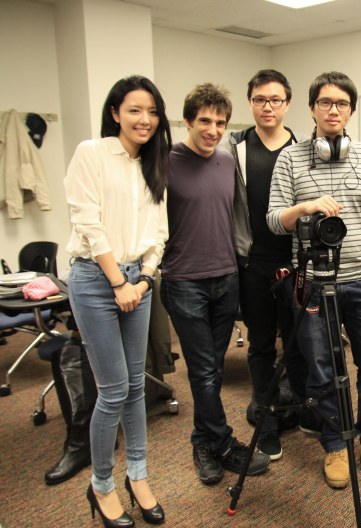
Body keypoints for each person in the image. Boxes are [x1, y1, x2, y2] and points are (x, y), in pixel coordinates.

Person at [266, 71, 361, 489]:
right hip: (312, 284)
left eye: (341, 103)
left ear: (351, 110)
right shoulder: (289, 159)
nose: (333, 109)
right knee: (322, 371)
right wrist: (305, 205)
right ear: (312, 109)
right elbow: (273, 220)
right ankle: (335, 444)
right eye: (325, 102)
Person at [64, 75, 170, 527]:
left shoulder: (153, 163)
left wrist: (143, 279)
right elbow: (88, 222)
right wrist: (118, 283)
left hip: (138, 280)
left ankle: (139, 477)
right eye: (134, 110)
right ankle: (101, 485)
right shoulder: (92, 153)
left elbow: (158, 234)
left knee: (135, 386)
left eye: (151, 112)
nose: (144, 120)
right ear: (115, 113)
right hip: (93, 279)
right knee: (112, 391)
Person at [160, 83, 270, 486]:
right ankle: (223, 443)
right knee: (205, 370)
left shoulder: (227, 163)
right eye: (204, 121)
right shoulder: (165, 161)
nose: (213, 129)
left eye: (220, 122)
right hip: (184, 281)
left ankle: (201, 441)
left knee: (211, 372)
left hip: (226, 277)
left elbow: (238, 214)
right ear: (187, 120)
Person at [222, 69, 311, 461]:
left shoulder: (304, 149)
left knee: (298, 346)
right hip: (254, 263)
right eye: (260, 99)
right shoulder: (236, 149)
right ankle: (268, 422)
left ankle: (300, 410)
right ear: (251, 103)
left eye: (275, 99)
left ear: (287, 104)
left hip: (296, 263)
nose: (268, 106)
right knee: (259, 347)